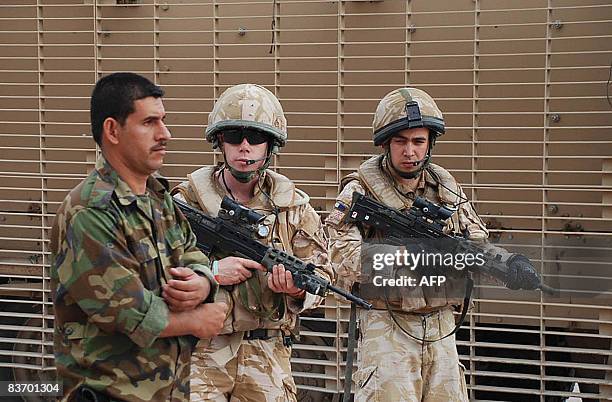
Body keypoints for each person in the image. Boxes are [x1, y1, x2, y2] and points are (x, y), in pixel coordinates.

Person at [325, 87, 541, 401]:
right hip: (388, 327)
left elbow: (473, 244)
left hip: (441, 325)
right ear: (386, 143)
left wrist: (507, 264)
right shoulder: (361, 191)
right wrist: (403, 256)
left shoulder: (446, 189)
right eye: (400, 141)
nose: (409, 152)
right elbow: (338, 256)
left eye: (418, 141)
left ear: (430, 143)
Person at [50, 72, 227, 402]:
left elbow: (192, 251)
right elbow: (126, 311)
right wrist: (196, 320)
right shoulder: (90, 211)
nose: (165, 134)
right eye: (149, 123)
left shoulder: (158, 199)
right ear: (113, 130)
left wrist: (202, 282)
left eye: (164, 121)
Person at [172, 83, 332, 401]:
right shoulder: (187, 200)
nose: (244, 147)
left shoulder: (293, 207)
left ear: (270, 145)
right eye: (234, 136)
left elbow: (325, 278)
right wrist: (213, 270)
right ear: (220, 141)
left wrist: (297, 290)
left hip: (268, 352)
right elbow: (158, 272)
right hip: (201, 352)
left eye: (256, 138)